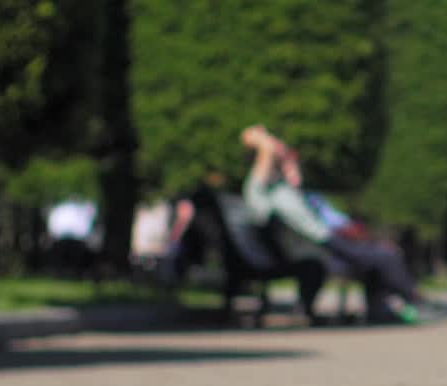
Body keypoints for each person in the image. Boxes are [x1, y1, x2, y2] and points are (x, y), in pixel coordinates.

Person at [240, 125, 425, 324]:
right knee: (386, 256)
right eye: (281, 157)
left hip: (328, 242)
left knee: (381, 253)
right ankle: (416, 301)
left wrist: (289, 165)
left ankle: (381, 310)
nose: (288, 158)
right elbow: (263, 147)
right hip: (318, 246)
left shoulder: (288, 190)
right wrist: (264, 141)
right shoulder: (258, 190)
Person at [167, 168, 328, 321]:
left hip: (244, 263)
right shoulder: (238, 209)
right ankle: (306, 310)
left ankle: (304, 310)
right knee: (314, 265)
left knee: (311, 264)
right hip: (249, 264)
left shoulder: (228, 211)